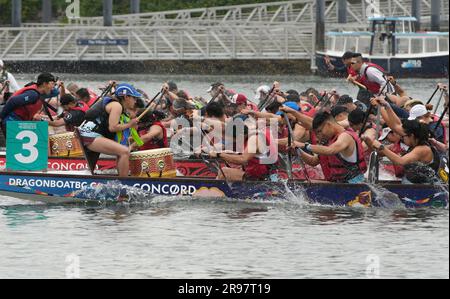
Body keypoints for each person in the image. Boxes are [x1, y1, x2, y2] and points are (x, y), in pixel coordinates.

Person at [78, 83, 140, 177]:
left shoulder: (115, 103)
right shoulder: (116, 106)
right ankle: (124, 184)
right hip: (89, 135)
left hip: (87, 133)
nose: (135, 101)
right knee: (125, 151)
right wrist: (129, 124)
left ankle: (121, 178)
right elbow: (113, 127)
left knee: (121, 151)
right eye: (134, 98)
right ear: (126, 97)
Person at [293, 111, 368, 184]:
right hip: (339, 185)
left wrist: (304, 145)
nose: (319, 136)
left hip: (354, 185)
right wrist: (297, 149)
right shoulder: (329, 141)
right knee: (308, 183)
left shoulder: (345, 136)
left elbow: (330, 150)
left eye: (320, 131)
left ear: (328, 124)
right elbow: (313, 161)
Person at [364, 119, 443, 184]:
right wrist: (370, 143)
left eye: (403, 136)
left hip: (424, 188)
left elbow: (400, 161)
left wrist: (382, 147)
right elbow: (381, 153)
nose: (402, 138)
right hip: (411, 183)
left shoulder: (422, 149)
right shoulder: (414, 144)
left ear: (411, 136)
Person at [208, 115, 278, 181]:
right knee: (229, 170)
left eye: (235, 139)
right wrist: (226, 153)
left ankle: (216, 192)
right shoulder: (251, 134)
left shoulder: (254, 139)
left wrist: (219, 155)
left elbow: (243, 159)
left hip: (263, 179)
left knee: (224, 172)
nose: (236, 142)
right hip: (261, 174)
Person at [0, 73, 57, 137]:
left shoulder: (42, 92)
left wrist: (57, 84)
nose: (53, 87)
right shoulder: (32, 94)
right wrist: (1, 117)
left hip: (18, 122)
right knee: (17, 146)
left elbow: (56, 92)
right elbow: (13, 101)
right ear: (44, 84)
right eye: (52, 84)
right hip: (11, 122)